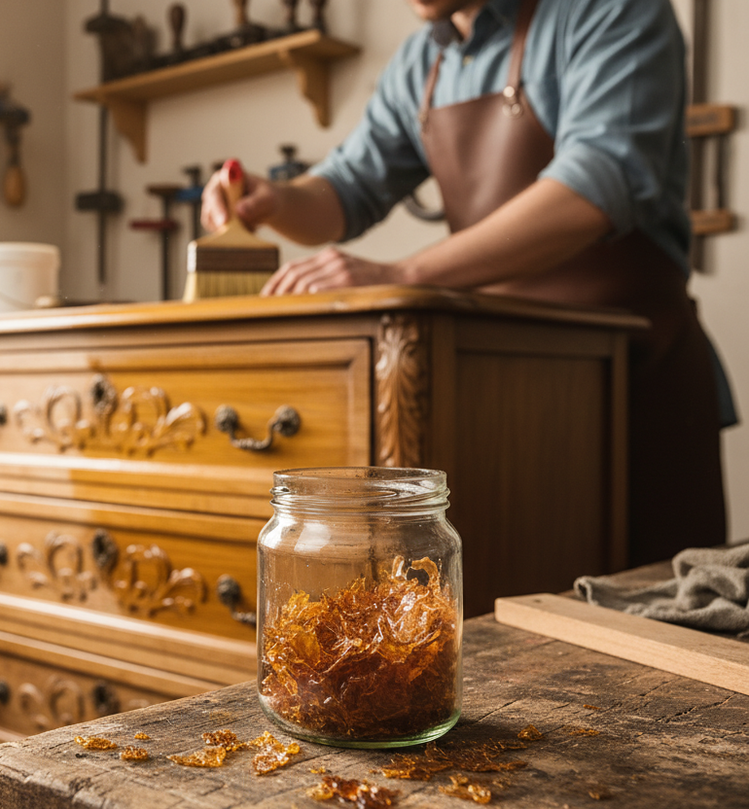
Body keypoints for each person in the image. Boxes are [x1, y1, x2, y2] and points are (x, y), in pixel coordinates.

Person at [202, 0, 736, 568]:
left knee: (652, 620)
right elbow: (345, 191)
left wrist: (403, 276)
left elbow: (598, 182)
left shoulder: (609, 10)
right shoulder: (421, 62)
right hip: (495, 393)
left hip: (631, 382)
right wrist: (280, 200)